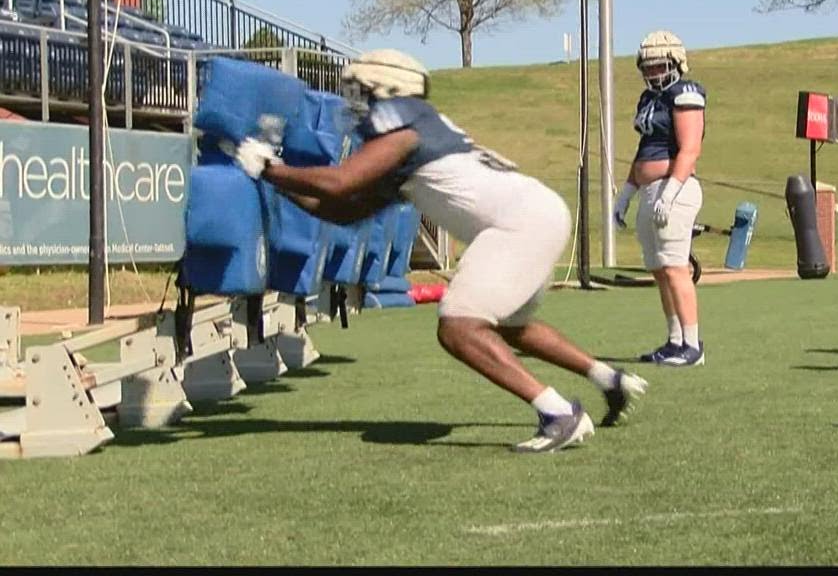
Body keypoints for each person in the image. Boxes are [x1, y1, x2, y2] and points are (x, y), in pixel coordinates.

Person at [232, 49, 648, 453]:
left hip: (518, 223)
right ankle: (609, 378)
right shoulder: (414, 136)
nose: (352, 103)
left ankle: (559, 413)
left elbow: (339, 183)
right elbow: (340, 210)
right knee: (506, 325)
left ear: (387, 91)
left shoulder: (405, 125)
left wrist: (272, 167)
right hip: (536, 213)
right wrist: (275, 178)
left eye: (358, 91)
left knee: (458, 327)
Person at [612, 30, 706, 367]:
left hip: (674, 189)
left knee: (675, 267)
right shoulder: (647, 99)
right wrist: (626, 193)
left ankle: (693, 346)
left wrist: (670, 191)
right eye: (648, 67)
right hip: (651, 191)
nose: (653, 73)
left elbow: (690, 148)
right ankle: (675, 340)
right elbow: (643, 151)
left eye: (659, 66)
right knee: (658, 269)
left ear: (676, 63)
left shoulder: (684, 93)